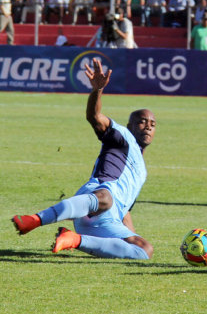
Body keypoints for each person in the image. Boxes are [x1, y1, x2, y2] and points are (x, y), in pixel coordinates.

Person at [12, 58, 156, 260]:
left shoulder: (142, 172)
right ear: (130, 125)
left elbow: (125, 211)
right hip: (93, 202)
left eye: (152, 123)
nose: (148, 126)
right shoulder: (123, 136)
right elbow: (94, 117)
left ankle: (73, 240)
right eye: (142, 121)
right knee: (106, 197)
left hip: (107, 224)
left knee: (144, 250)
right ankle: (34, 220)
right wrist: (97, 90)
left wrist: (130, 236)